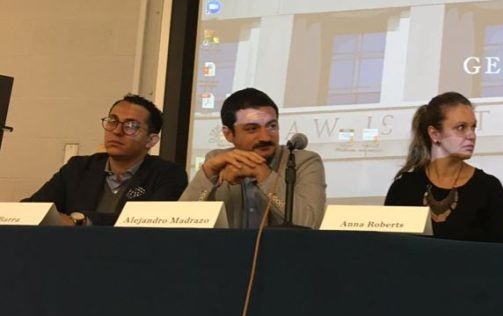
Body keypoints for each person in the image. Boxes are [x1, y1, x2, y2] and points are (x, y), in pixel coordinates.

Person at [23, 94, 187, 226]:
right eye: (112, 121)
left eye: (130, 126)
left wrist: (81, 220)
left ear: (151, 141)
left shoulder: (168, 174)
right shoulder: (79, 168)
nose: (116, 131)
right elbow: (33, 209)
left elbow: (149, 222)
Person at [180, 88, 326, 228]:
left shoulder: (303, 162)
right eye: (252, 129)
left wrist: (263, 174)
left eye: (271, 126)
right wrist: (208, 171)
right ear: (229, 134)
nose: (265, 137)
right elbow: (180, 222)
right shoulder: (218, 161)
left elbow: (310, 223)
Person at [385, 92, 503, 243]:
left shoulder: (488, 188)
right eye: (461, 127)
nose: (471, 135)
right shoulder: (404, 188)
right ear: (435, 134)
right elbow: (388, 250)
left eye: (473, 127)